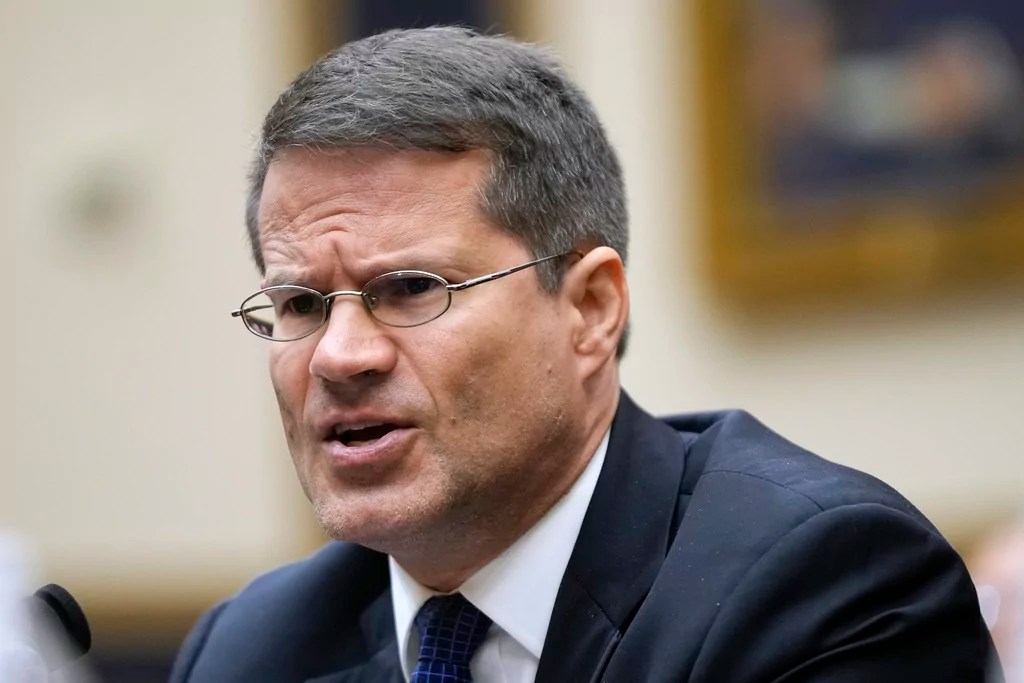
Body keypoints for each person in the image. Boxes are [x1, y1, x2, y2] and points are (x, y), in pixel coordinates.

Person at [170, 27, 1000, 683]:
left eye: (412, 288)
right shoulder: (252, 649)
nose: (340, 355)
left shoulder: (822, 589)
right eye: (302, 304)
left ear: (591, 308)